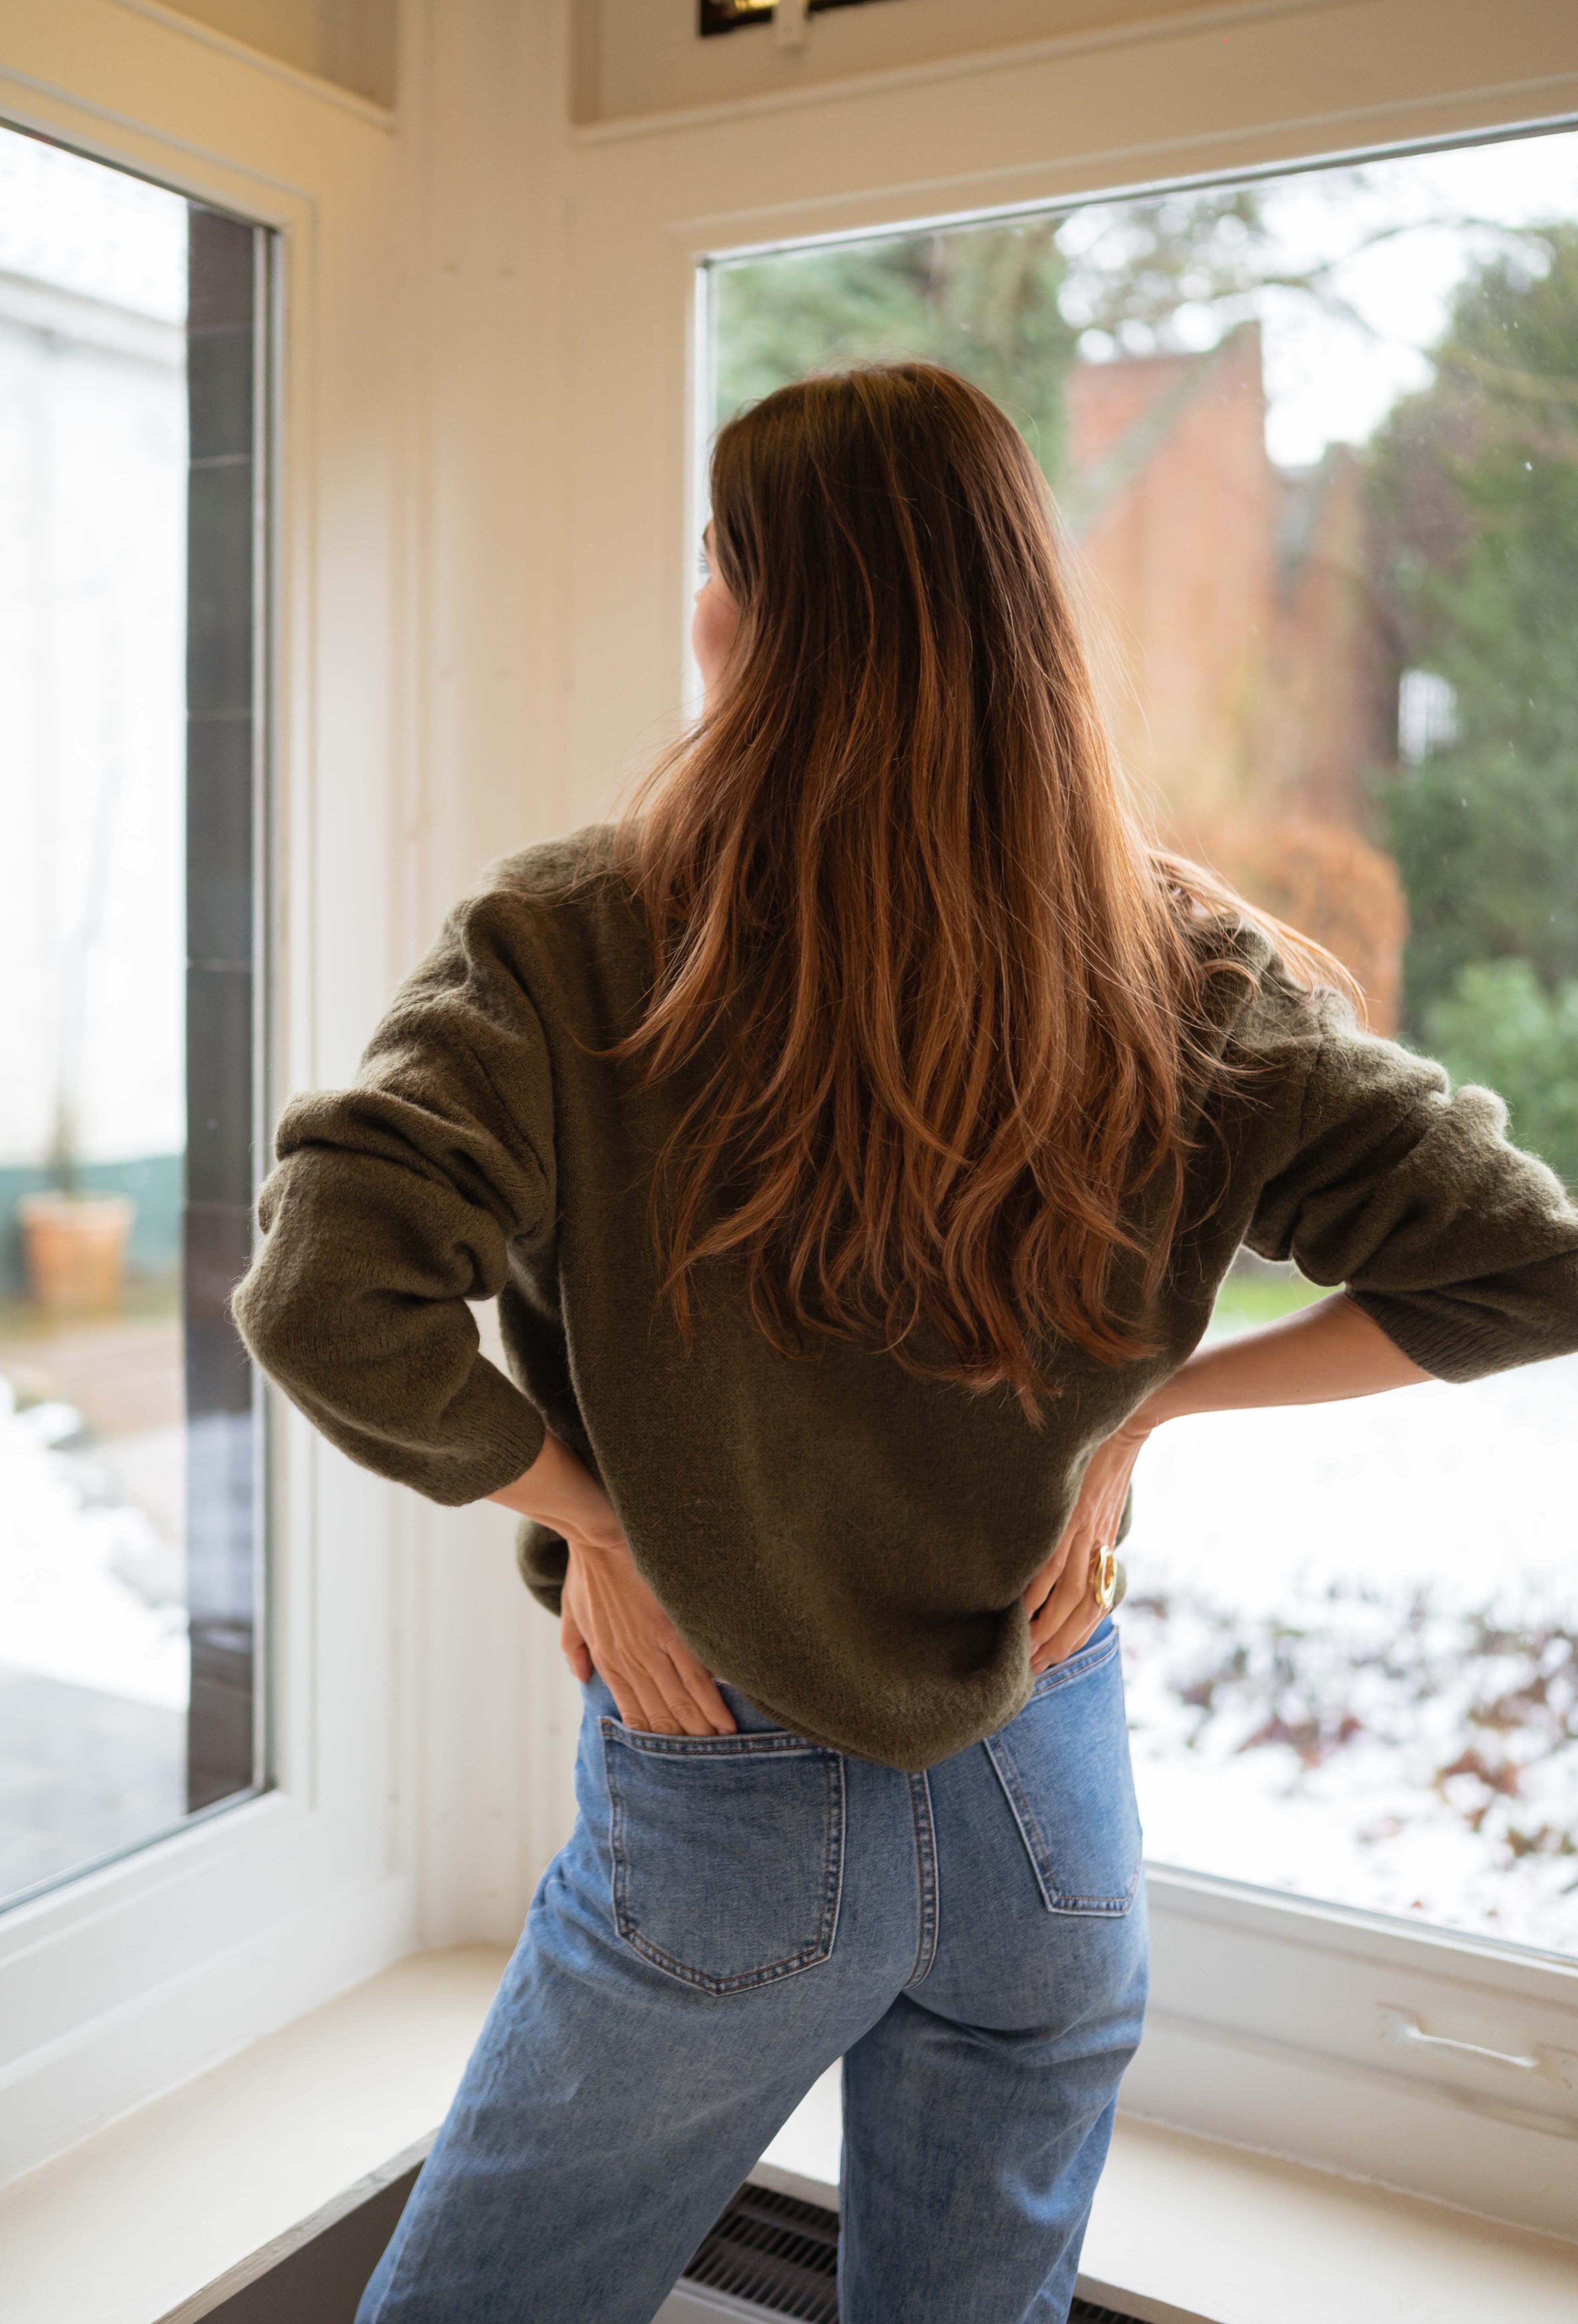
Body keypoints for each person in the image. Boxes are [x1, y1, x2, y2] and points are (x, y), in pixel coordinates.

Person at [231, 363, 1578, 2324]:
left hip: (729, 1817)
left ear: (767, 616)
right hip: (1053, 1811)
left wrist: (597, 1522)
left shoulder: (581, 941)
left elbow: (322, 1289)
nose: (699, 604)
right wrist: (1151, 1412)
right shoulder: (1184, 968)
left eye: (718, 562)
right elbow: (1525, 1266)